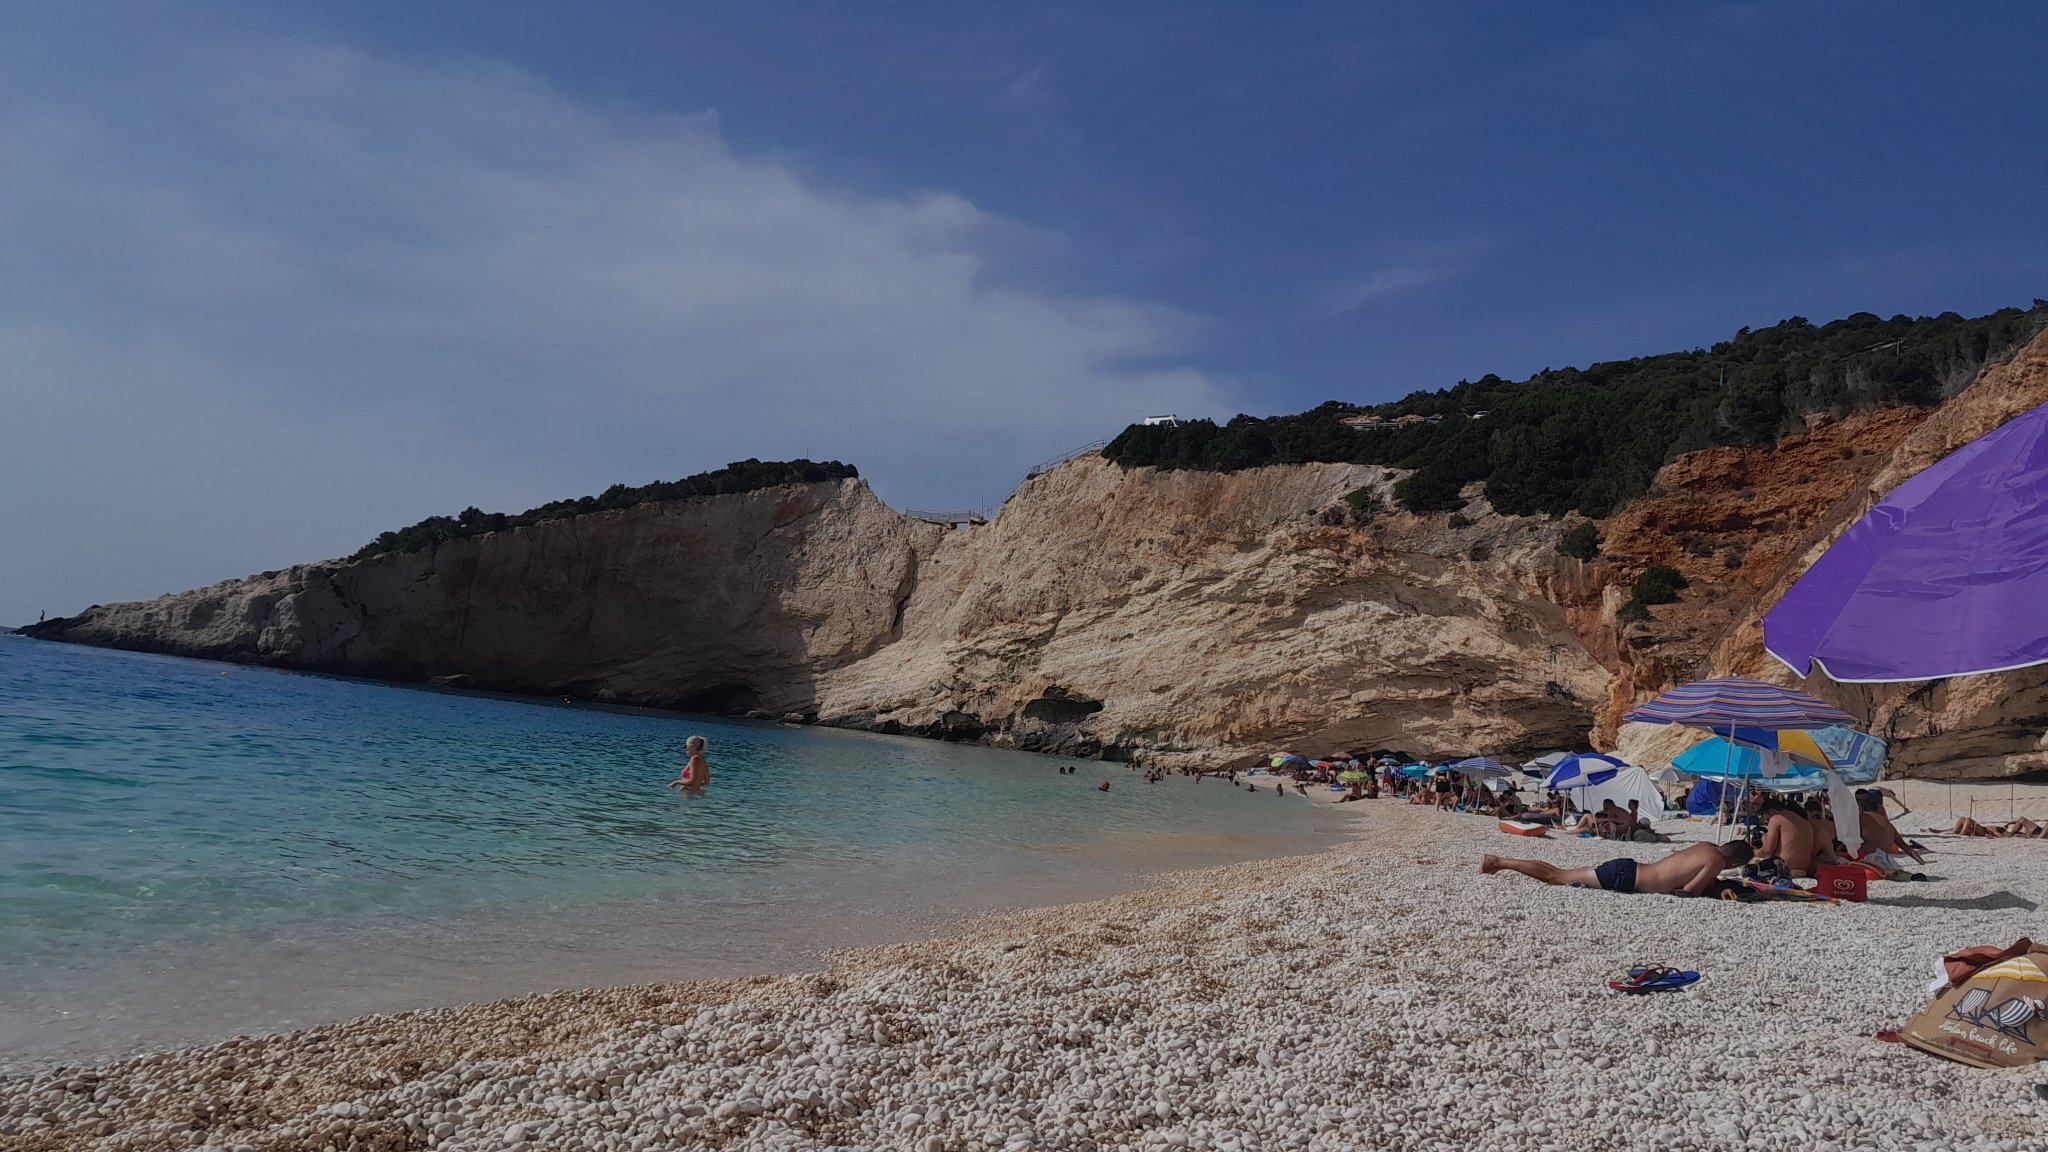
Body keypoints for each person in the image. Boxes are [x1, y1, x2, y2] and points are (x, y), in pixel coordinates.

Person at [1481, 840, 1754, 897]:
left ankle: (1498, 863)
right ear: (1735, 864)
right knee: (1556, 876)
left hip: (1629, 868)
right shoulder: (1717, 862)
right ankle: (1498, 862)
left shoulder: (1706, 846)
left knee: (1559, 873)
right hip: (1626, 878)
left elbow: (1685, 872)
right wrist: (1715, 889)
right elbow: (1689, 891)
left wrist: (1717, 887)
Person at [1854, 788, 1928, 871]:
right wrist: (1921, 861)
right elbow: (1903, 845)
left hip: (1870, 862)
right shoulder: (1888, 825)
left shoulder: (1861, 820)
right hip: (1886, 861)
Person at [1756, 799, 1817, 878]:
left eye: (1767, 819)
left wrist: (1754, 853)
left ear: (1771, 812)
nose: (1768, 822)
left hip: (1784, 870)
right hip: (1803, 870)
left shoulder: (1776, 818)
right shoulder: (1805, 823)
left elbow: (1767, 850)